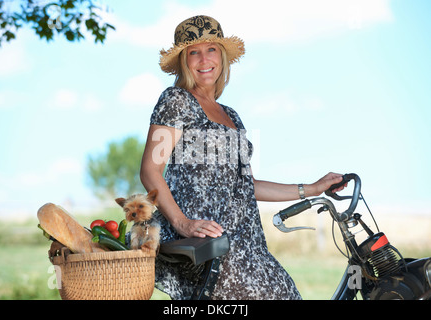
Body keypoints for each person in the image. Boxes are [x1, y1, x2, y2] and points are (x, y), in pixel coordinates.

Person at [140, 15, 346, 300]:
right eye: (194, 52)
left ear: (221, 57)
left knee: (287, 293)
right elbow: (150, 171)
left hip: (248, 242)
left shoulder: (231, 115)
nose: (204, 59)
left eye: (211, 49)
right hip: (208, 243)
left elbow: (246, 184)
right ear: (184, 61)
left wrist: (310, 189)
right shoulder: (176, 100)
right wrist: (183, 223)